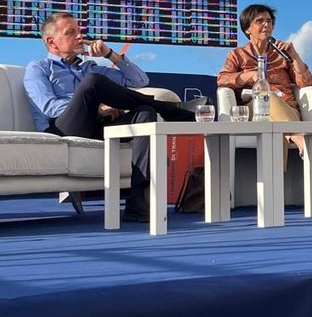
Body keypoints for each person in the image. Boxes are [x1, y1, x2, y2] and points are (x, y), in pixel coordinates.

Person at [23, 12, 195, 223]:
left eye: (79, 31)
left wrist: (110, 54)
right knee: (93, 82)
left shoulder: (89, 66)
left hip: (98, 128)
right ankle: (173, 111)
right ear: (52, 42)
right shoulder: (38, 68)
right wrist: (97, 108)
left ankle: (137, 202)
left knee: (144, 114)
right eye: (71, 33)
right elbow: (49, 107)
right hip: (63, 128)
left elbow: (140, 80)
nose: (80, 37)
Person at [217, 4, 312, 167]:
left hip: (287, 109)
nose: (266, 25)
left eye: (269, 21)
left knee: (277, 129)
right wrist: (249, 76)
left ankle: (274, 190)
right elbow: (223, 79)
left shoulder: (282, 54)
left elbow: (305, 82)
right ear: (248, 28)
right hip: (254, 112)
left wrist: (295, 56)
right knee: (266, 97)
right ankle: (301, 140)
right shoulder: (237, 55)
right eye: (260, 21)